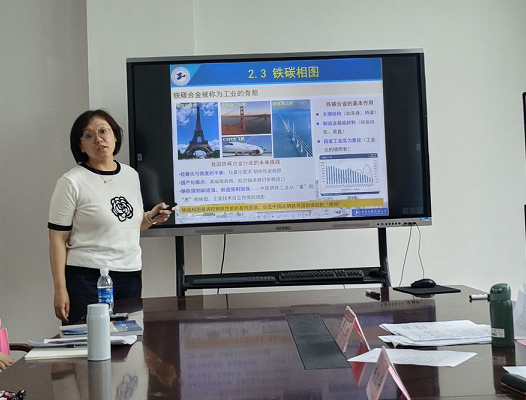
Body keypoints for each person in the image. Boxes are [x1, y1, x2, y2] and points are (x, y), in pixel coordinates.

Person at [48, 109, 173, 324]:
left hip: (130, 274)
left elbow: (127, 225)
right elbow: (57, 238)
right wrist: (60, 289)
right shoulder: (71, 182)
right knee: (89, 340)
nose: (98, 139)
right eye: (89, 135)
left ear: (115, 136)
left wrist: (150, 218)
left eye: (103, 131)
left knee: (129, 340)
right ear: (81, 146)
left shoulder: (131, 175)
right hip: (87, 278)